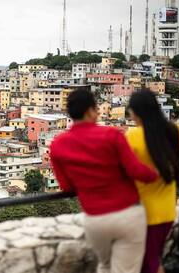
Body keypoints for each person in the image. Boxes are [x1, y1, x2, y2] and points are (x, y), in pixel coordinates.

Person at [50, 88, 158, 273]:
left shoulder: (57, 144)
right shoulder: (111, 135)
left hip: (95, 220)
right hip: (127, 215)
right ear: (90, 111)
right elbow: (135, 170)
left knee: (105, 266)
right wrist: (156, 173)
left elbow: (67, 186)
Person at [126, 89, 179, 273]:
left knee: (150, 265)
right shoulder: (173, 132)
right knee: (152, 261)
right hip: (166, 212)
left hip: (144, 214)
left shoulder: (133, 136)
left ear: (136, 112)